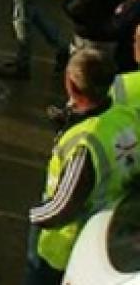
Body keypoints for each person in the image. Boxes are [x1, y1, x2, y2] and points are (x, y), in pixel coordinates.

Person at [26, 50, 140, 285]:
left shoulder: (85, 144)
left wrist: (35, 216)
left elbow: (61, 208)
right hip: (112, 224)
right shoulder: (126, 115)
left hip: (64, 245)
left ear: (71, 85)